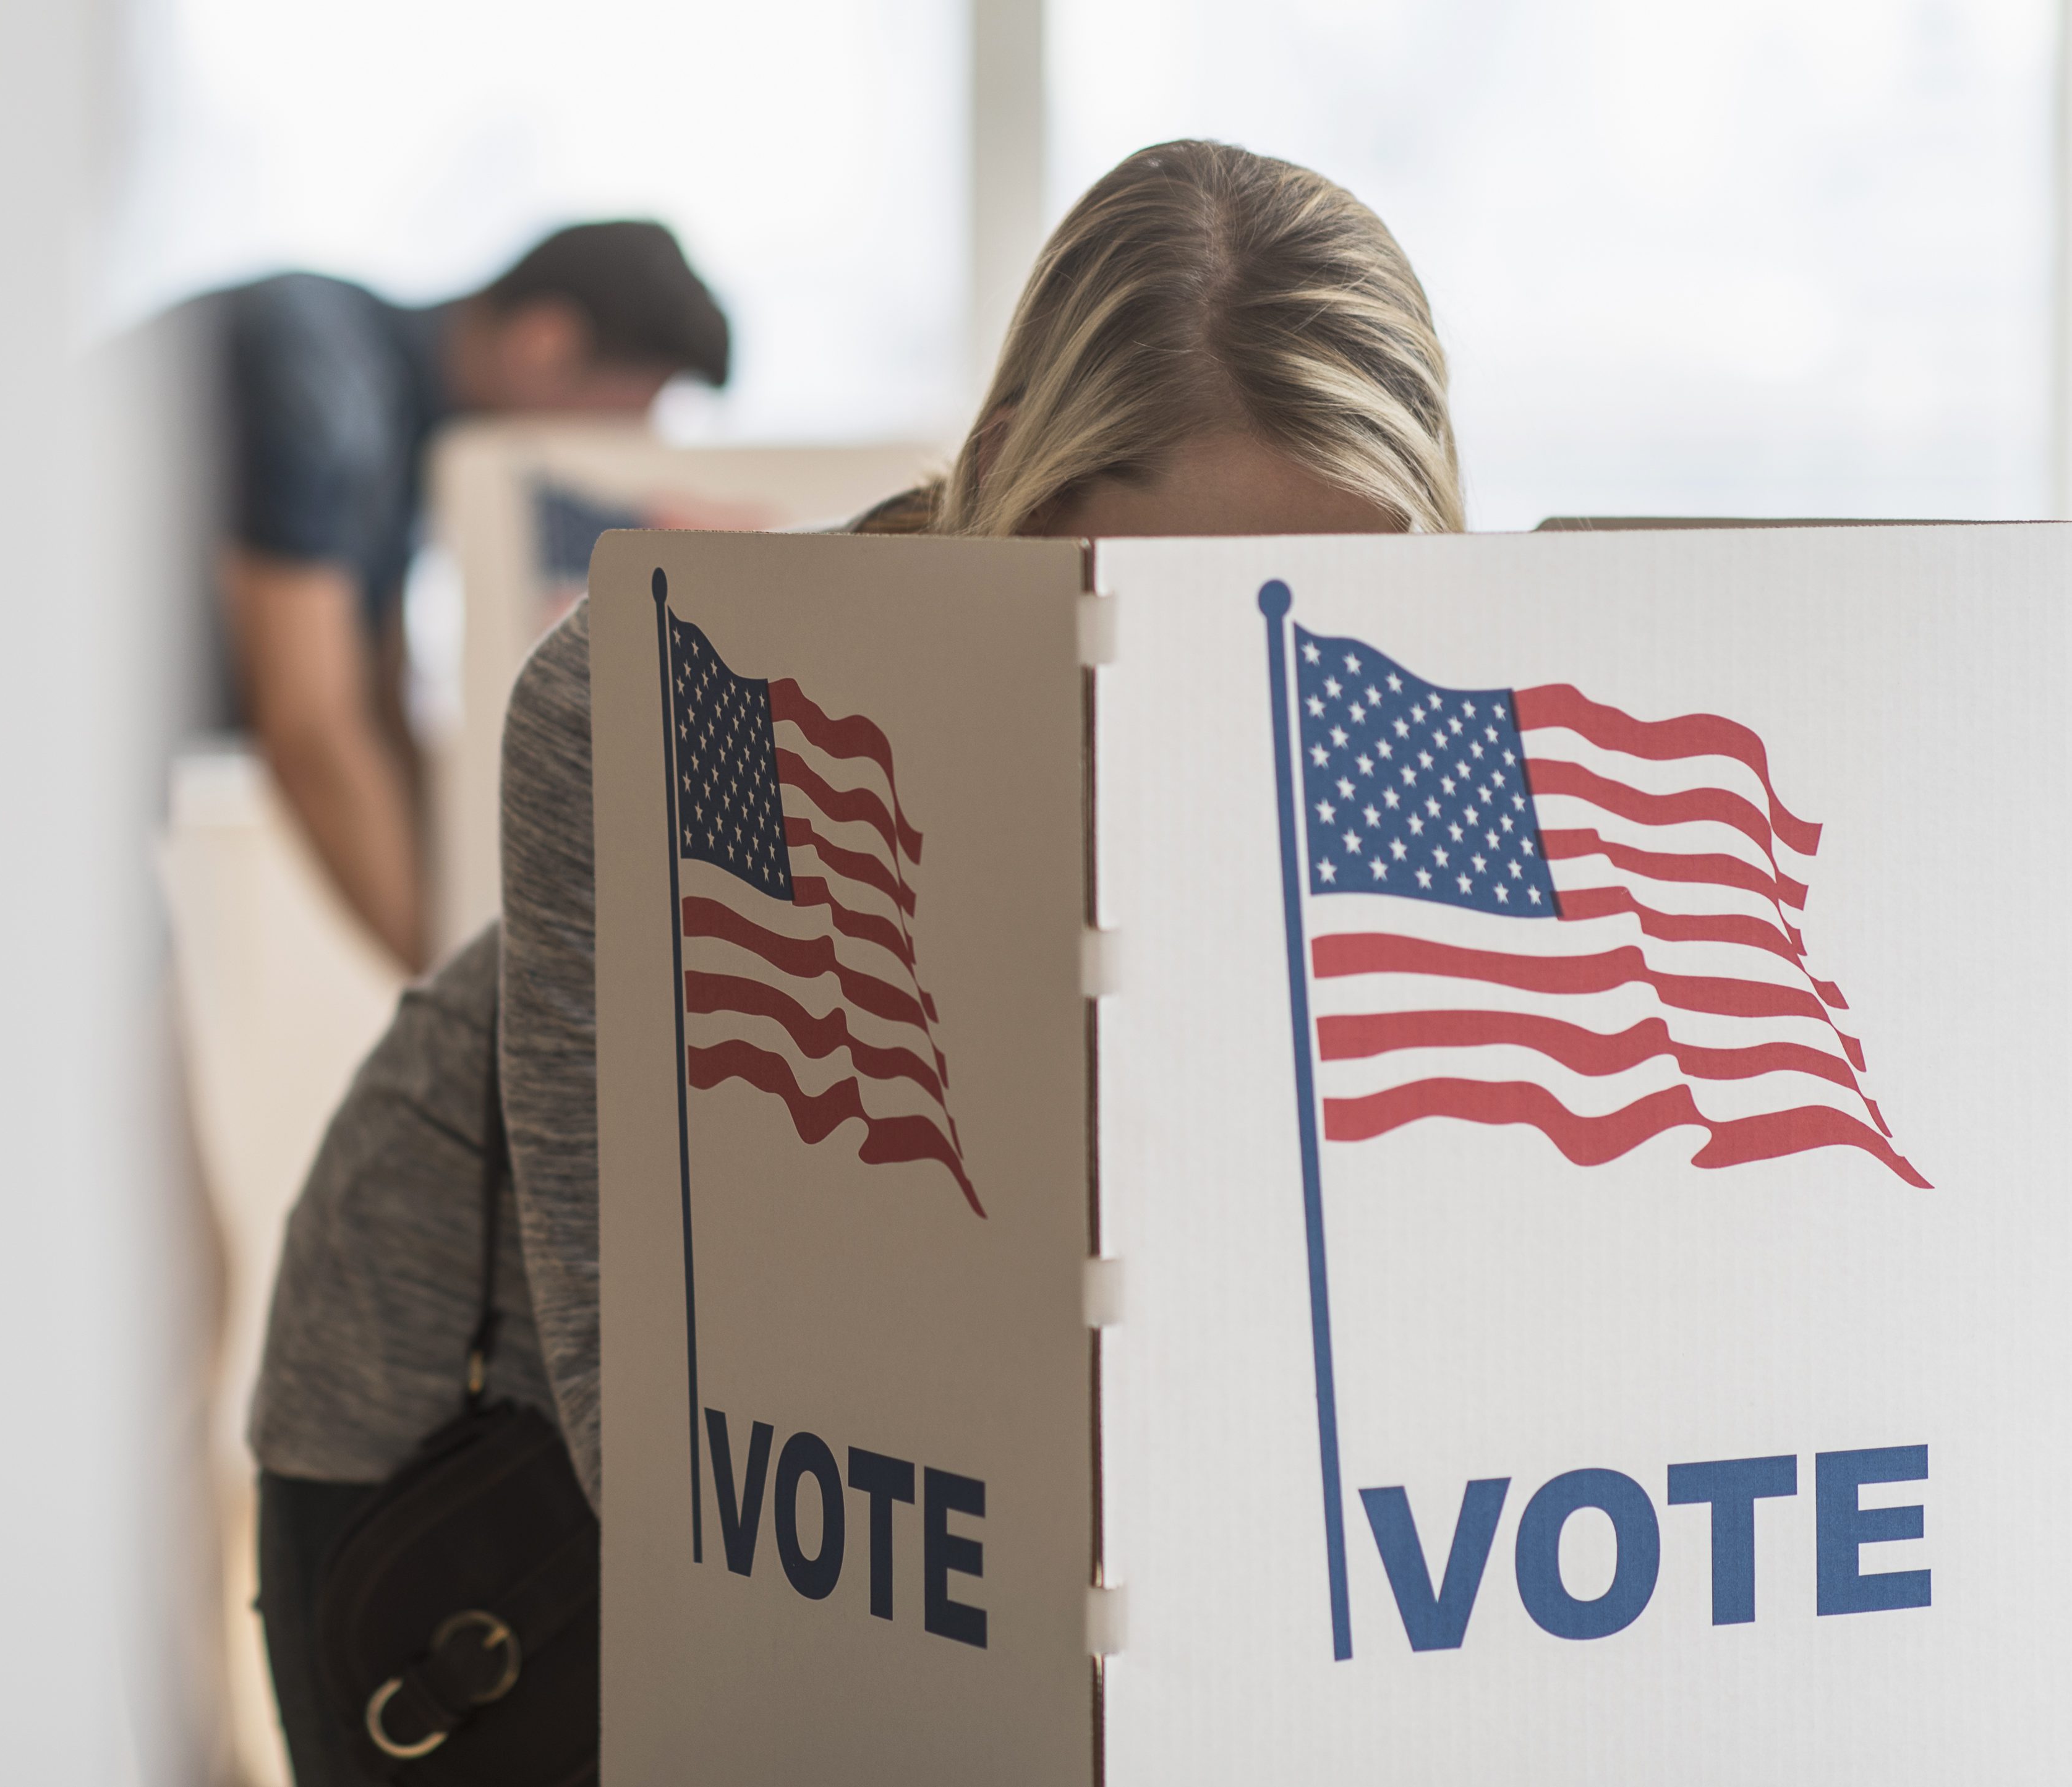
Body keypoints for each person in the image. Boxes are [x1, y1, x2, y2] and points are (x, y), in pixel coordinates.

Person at [244, 140, 1465, 1785]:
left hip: (919, 1498)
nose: (1232, 671)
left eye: (1308, 606)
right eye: (1149, 595)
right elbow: (652, 1419)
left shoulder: (1417, 731)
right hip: (483, 1452)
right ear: (1020, 473)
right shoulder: (674, 695)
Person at [166, 222, 733, 972]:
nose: (611, 452)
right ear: (544, 344)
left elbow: (380, 702)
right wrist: (467, 1003)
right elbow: (310, 726)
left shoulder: (395, 424)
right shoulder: (320, 385)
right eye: (622, 413)